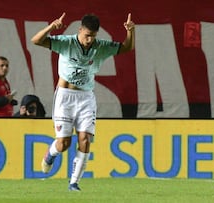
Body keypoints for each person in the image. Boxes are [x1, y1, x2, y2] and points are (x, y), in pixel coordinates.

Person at [31, 12, 135, 191]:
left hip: (86, 98)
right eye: (87, 35)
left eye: (93, 36)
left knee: (85, 139)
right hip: (65, 97)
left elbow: (126, 48)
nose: (89, 40)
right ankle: (51, 153)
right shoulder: (66, 43)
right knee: (64, 143)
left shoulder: (101, 46)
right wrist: (51, 27)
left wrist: (130, 32)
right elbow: (36, 41)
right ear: (80, 30)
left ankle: (74, 183)